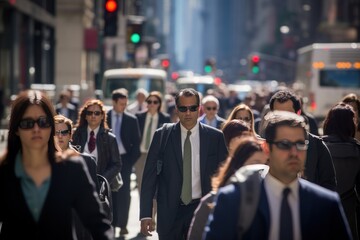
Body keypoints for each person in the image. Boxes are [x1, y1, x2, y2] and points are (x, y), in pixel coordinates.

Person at [204, 111, 352, 240]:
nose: (294, 152)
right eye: (284, 144)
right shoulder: (232, 200)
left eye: (300, 144)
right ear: (267, 148)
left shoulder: (326, 204)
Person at [0, 90, 113, 239]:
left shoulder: (72, 168)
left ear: (51, 128)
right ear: (16, 130)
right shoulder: (4, 172)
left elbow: (98, 224)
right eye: (27, 123)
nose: (36, 129)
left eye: (43, 122)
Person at [139, 88, 228, 240]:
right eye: (183, 108)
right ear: (176, 109)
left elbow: (224, 177)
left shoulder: (215, 137)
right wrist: (146, 214)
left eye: (193, 108)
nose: (188, 113)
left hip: (201, 210)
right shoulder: (162, 135)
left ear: (199, 109)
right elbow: (149, 177)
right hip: (169, 212)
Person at [187, 136, 267, 240]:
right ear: (239, 165)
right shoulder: (210, 202)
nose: (262, 169)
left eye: (266, 164)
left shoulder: (271, 202)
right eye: (255, 163)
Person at [269, 89, 336, 190]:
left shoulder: (317, 145)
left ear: (299, 113)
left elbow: (329, 183)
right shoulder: (264, 145)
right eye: (277, 115)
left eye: (288, 114)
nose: (283, 119)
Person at [54, 114, 104, 240]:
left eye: (64, 132)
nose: (60, 136)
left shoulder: (87, 161)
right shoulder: (42, 162)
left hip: (81, 227)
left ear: (70, 135)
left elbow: (94, 201)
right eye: (56, 132)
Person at [71, 99, 121, 205]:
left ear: (102, 116)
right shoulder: (75, 135)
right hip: (77, 183)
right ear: (85, 116)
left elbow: (117, 164)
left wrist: (102, 179)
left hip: (100, 186)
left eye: (97, 113)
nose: (93, 116)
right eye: (90, 113)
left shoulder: (110, 138)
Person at [106, 88, 141, 235]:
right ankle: (110, 224)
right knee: (108, 193)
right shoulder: (104, 117)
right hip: (107, 160)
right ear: (114, 102)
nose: (124, 107)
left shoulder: (131, 120)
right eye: (121, 103)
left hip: (124, 161)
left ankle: (123, 224)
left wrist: (129, 163)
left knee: (124, 194)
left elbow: (136, 145)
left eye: (125, 104)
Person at [322, 103, 360, 239]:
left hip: (320, 210)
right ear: (351, 125)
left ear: (328, 122)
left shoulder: (318, 147)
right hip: (349, 212)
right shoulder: (357, 150)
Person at [135, 91, 171, 231]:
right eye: (149, 101)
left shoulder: (165, 118)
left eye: (155, 102)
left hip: (157, 157)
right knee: (142, 188)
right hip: (141, 156)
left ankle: (152, 217)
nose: (151, 104)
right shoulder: (139, 117)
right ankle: (145, 216)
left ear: (159, 104)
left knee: (154, 188)